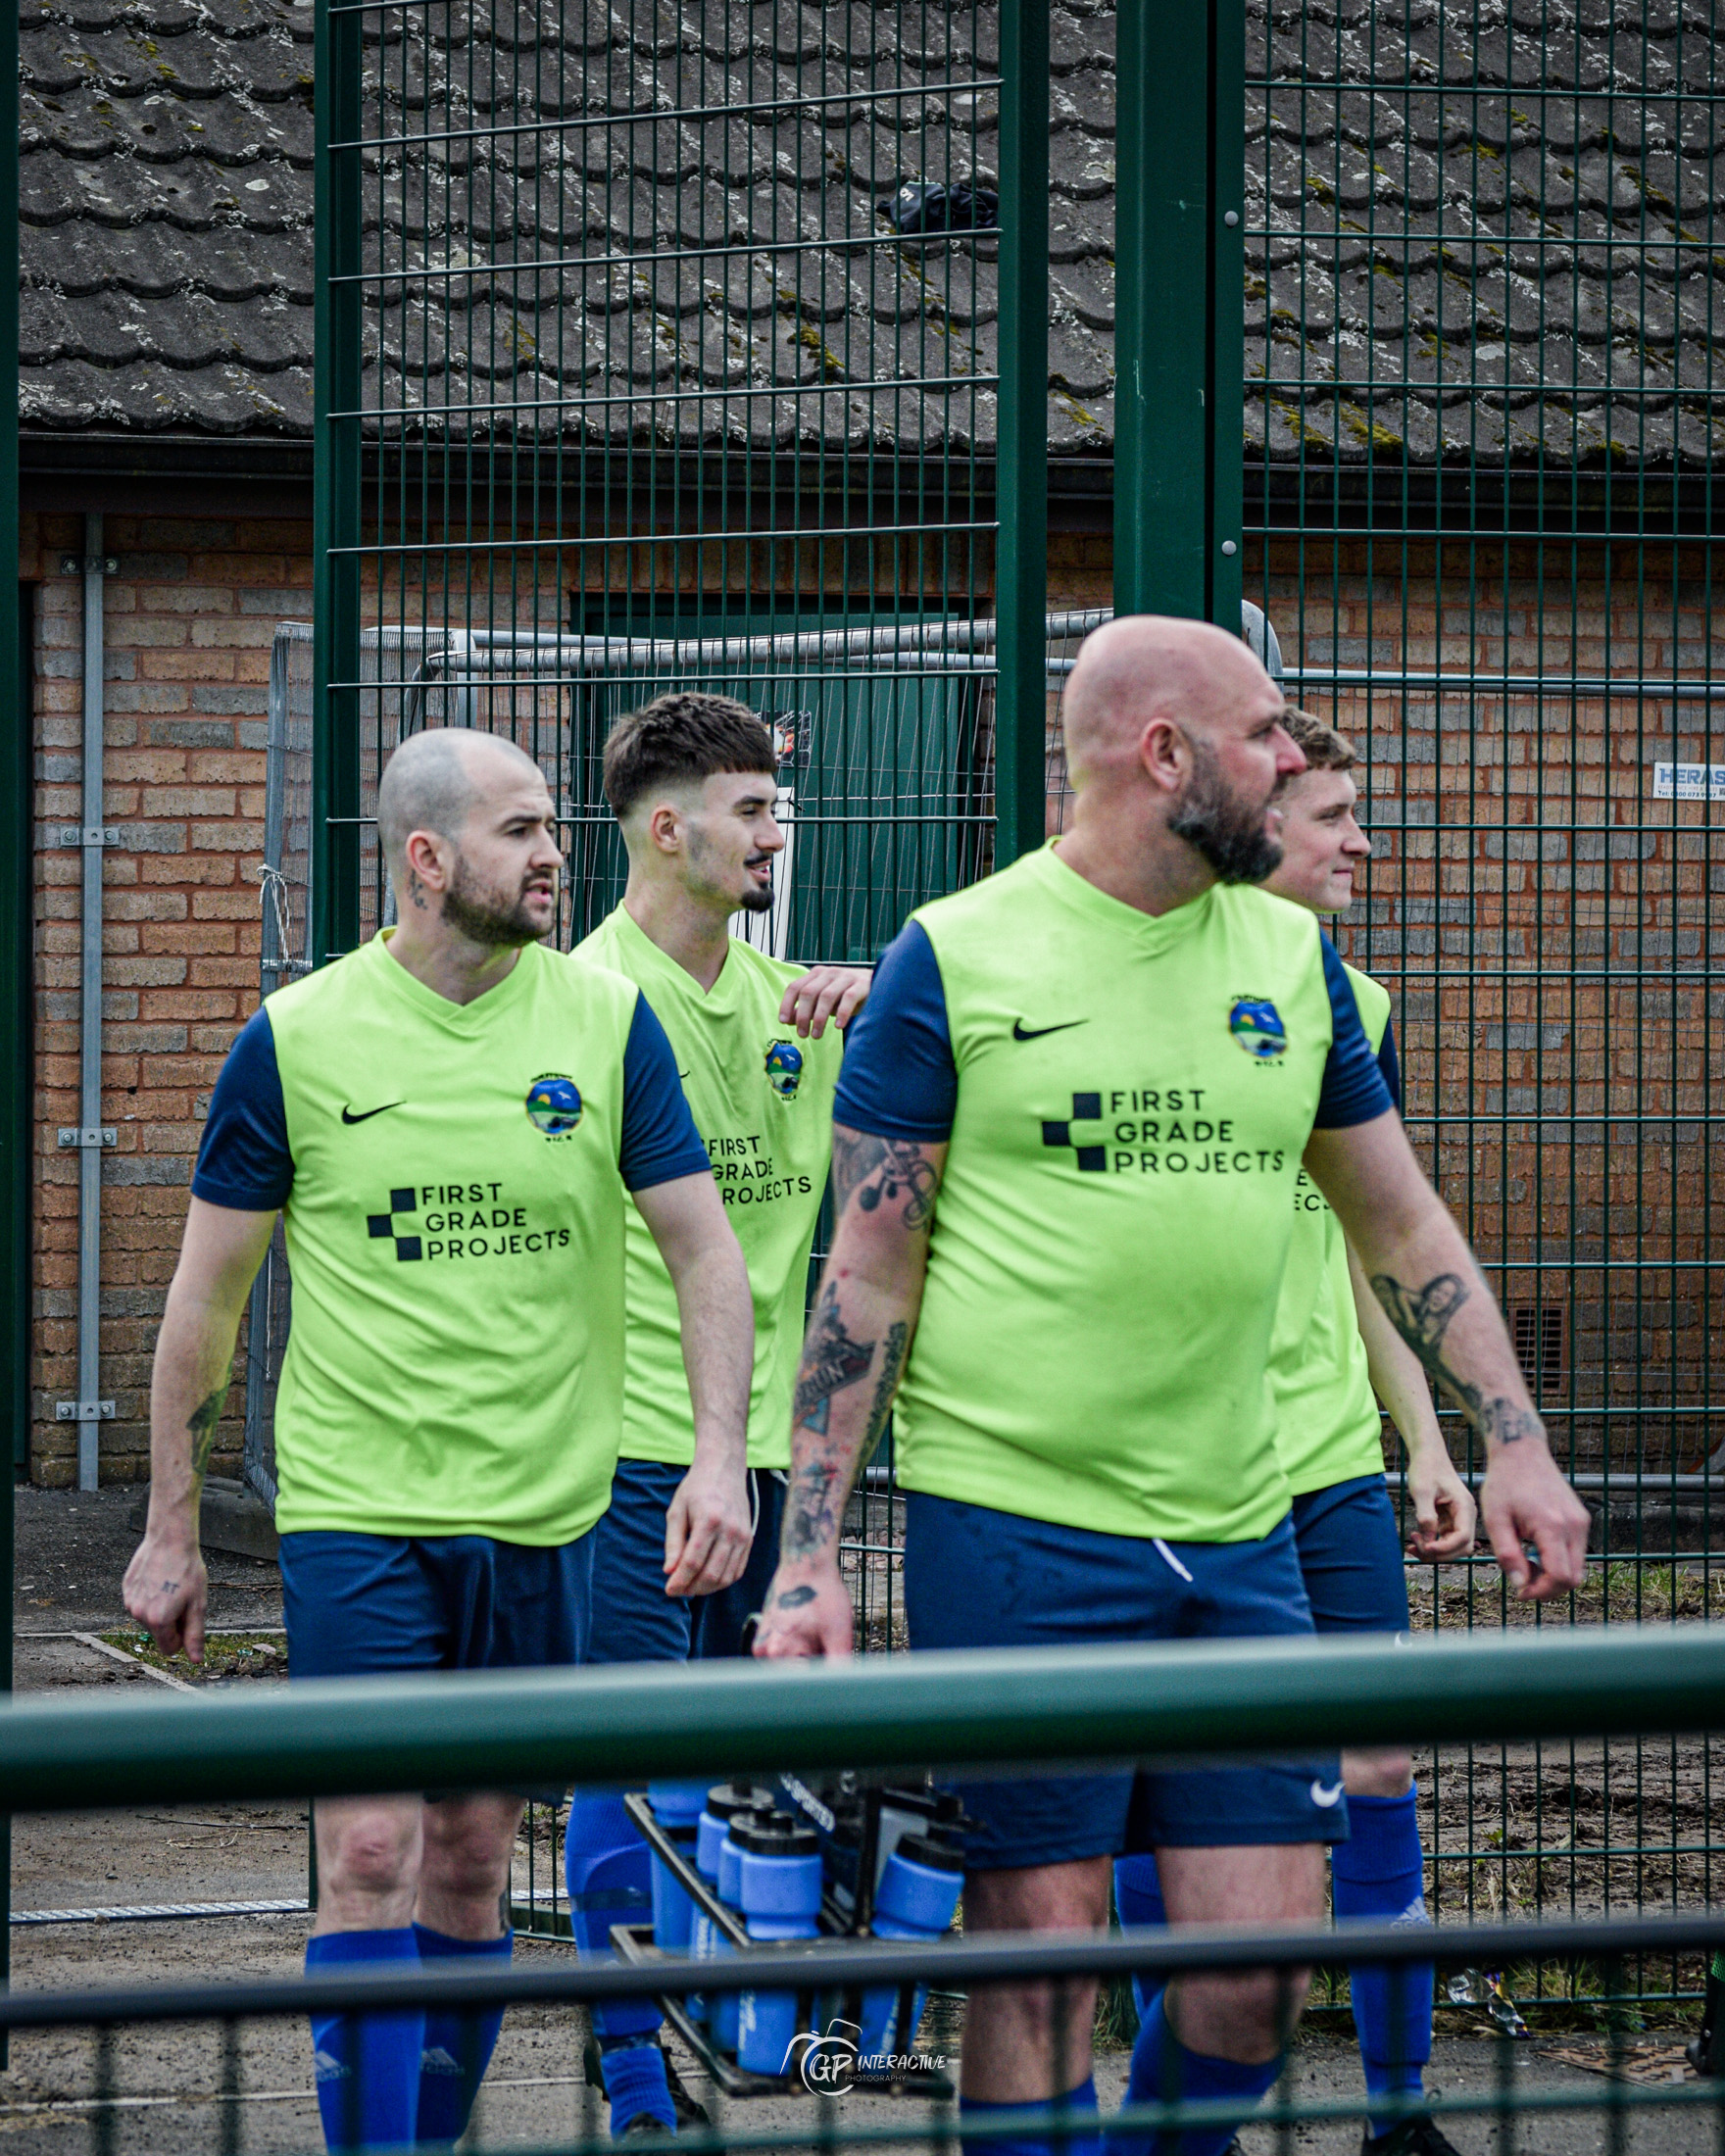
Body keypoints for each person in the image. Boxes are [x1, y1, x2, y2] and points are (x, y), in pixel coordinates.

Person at [753, 614, 1590, 2156]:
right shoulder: (958, 954)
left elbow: (1397, 1215)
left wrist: (1515, 1440)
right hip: (1015, 1532)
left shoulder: (1295, 962)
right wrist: (808, 1555)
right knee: (1041, 1977)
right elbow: (865, 1276)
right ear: (1166, 755)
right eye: (1267, 732)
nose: (1292, 758)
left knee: (1247, 1990)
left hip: (1236, 1531)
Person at [123, 727, 755, 2155]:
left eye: (550, 828)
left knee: (472, 1870)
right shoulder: (297, 1038)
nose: (555, 855)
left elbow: (704, 1258)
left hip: (548, 1516)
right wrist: (171, 1527)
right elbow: (203, 1303)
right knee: (367, 1850)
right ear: (427, 859)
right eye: (523, 830)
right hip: (361, 1513)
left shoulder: (604, 1024)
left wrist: (717, 1458)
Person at [1112, 710, 1477, 2156]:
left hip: (1326, 1459)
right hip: (1176, 1472)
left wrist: (1426, 1438)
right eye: (1329, 816)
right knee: (1180, 1813)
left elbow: (1365, 1240)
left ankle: (1400, 2117)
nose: (1357, 844)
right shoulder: (1120, 980)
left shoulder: (1350, 1006)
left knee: (1381, 1765)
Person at [562, 692, 866, 2135]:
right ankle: (630, 2077)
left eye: (775, 805)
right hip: (625, 1448)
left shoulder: (797, 1004)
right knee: (629, 1759)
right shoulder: (580, 1003)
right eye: (750, 808)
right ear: (666, 827)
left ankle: (763, 2050)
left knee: (762, 1782)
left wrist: (883, 996)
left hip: (768, 1459)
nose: (774, 831)